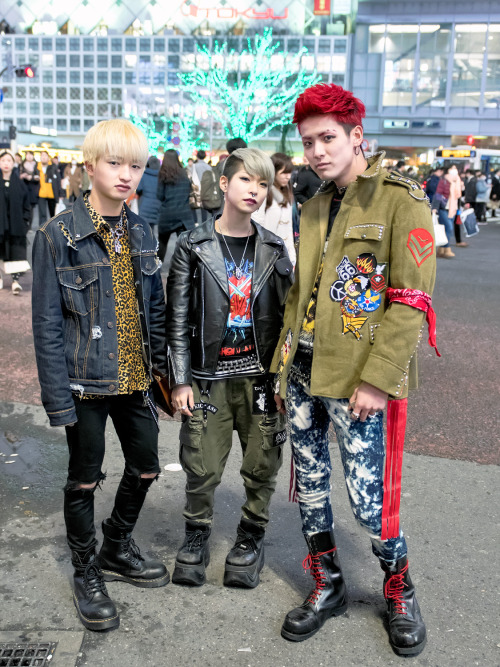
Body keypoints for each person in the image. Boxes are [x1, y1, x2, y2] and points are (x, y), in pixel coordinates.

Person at [271, 83, 436, 656]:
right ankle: (329, 584)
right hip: (303, 373)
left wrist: (379, 377)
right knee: (310, 487)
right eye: (308, 140)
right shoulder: (313, 205)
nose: (317, 150)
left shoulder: (401, 199)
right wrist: (281, 365)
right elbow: (301, 293)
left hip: (358, 379)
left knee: (370, 500)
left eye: (328, 138)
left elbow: (411, 298)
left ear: (355, 136)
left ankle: (399, 590)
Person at [31, 119, 169, 633]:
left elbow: (152, 308)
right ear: (90, 165)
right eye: (115, 163)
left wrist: (166, 376)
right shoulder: (58, 235)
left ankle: (115, 543)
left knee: (148, 465)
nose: (126, 174)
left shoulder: (141, 229)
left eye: (135, 165)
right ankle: (86, 569)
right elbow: (45, 323)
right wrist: (58, 402)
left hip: (135, 378)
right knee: (84, 478)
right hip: (85, 381)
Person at [166, 148, 293, 589]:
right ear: (224, 184)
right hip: (207, 378)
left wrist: (283, 378)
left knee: (262, 464)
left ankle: (251, 537)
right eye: (245, 181)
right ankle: (196, 534)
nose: (255, 190)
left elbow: (289, 319)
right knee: (201, 466)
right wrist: (180, 378)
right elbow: (177, 317)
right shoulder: (193, 246)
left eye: (262, 183)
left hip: (260, 379)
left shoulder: (275, 249)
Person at [253, 152, 296, 267]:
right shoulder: (263, 192)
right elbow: (257, 225)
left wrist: (292, 257)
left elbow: (288, 227)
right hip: (266, 255)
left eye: (290, 173)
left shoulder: (287, 190)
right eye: (284, 173)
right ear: (273, 172)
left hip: (283, 254)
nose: (288, 176)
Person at [0, 150, 31, 294]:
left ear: (13, 164)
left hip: (15, 227)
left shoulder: (20, 185)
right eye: (3, 160)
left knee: (15, 253)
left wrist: (25, 224)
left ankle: (15, 281)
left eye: (9, 161)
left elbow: (27, 206)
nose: (6, 163)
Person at [156, 149, 194, 262]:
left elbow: (159, 195)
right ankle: (186, 271)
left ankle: (157, 269)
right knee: (185, 247)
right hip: (183, 215)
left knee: (162, 243)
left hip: (167, 214)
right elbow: (189, 191)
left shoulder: (163, 174)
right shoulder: (184, 173)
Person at [431, 165, 461, 258]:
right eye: (452, 169)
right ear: (448, 171)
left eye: (455, 169)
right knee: (448, 228)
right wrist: (435, 207)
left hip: (452, 209)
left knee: (448, 229)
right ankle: (447, 249)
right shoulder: (444, 181)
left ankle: (441, 250)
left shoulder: (457, 181)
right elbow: (438, 194)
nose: (454, 170)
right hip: (443, 208)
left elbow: (458, 196)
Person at [136, 156, 161, 235]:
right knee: (152, 229)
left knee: (144, 230)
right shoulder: (161, 176)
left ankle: (146, 245)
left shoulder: (144, 175)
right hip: (157, 205)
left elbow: (138, 189)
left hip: (145, 206)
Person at [37, 150, 62, 224]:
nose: (43, 157)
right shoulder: (37, 167)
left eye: (45, 156)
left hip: (52, 193)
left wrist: (61, 193)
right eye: (42, 156)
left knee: (53, 214)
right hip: (41, 193)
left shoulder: (53, 167)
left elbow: (58, 180)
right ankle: (42, 230)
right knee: (42, 214)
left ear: (48, 158)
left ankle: (52, 230)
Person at [19, 150, 40, 225]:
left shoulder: (36, 165)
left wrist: (32, 177)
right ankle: (23, 223)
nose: (29, 156)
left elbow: (39, 176)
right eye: (27, 155)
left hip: (33, 189)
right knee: (22, 206)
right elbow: (18, 175)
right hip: (23, 187)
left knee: (30, 208)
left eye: (31, 155)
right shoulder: (21, 164)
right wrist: (22, 176)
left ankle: (29, 225)